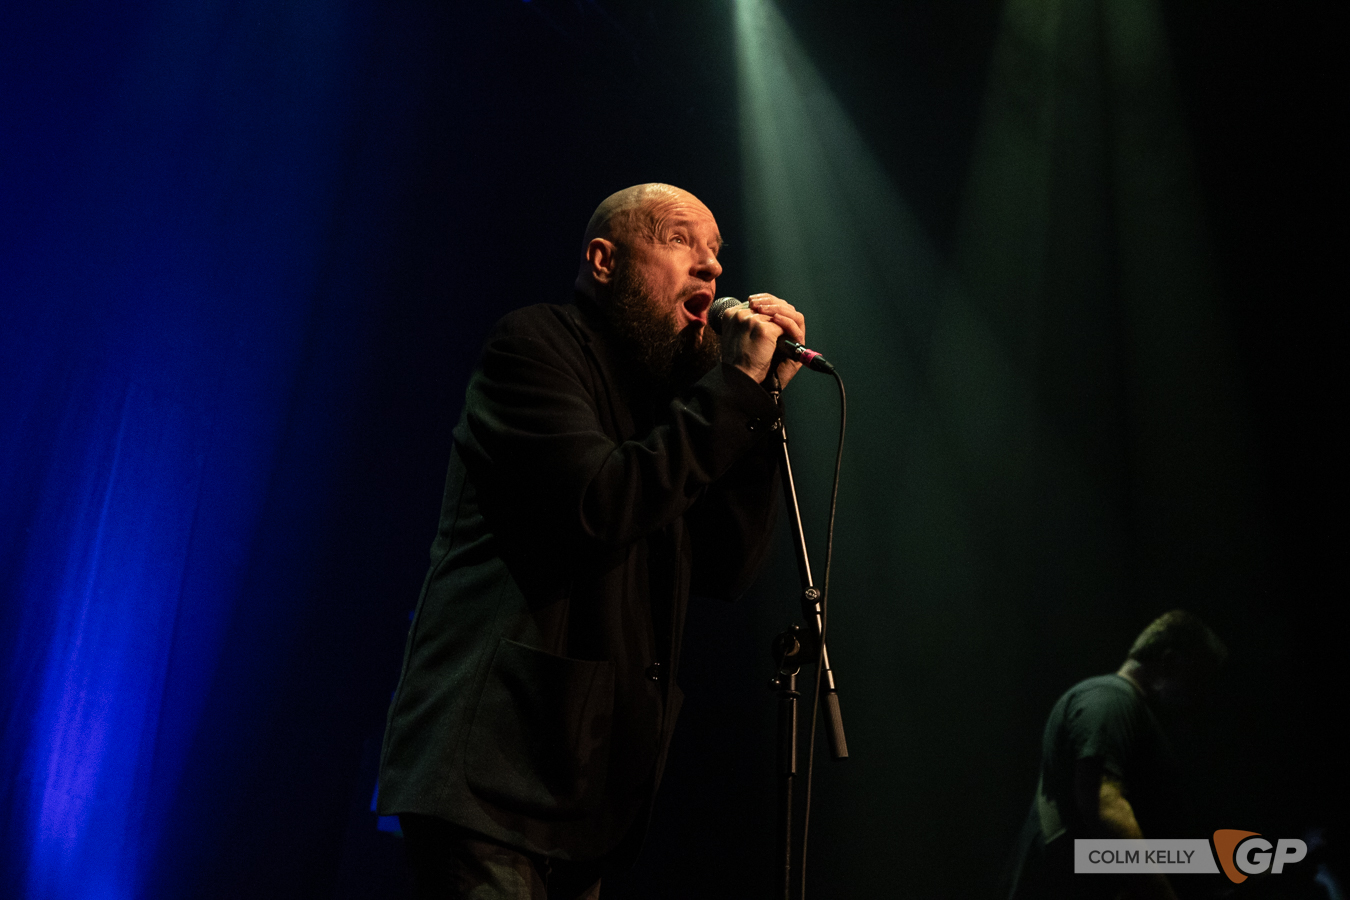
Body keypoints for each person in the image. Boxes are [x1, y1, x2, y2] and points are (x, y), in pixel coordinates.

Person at [377, 183, 807, 899]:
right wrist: (732, 389)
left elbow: (726, 564)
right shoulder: (533, 345)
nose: (711, 269)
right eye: (680, 240)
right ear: (603, 260)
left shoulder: (666, 401)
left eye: (716, 254)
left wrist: (760, 407)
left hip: (582, 800)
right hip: (490, 776)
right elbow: (600, 501)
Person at [1008, 610, 1227, 900]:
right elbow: (1105, 805)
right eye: (1197, 678)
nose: (1200, 695)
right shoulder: (1111, 697)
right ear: (1169, 661)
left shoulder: (1128, 709)